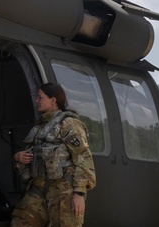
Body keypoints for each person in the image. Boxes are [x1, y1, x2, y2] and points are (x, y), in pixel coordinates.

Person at [11, 82, 96, 227]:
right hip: (38, 187)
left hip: (63, 191)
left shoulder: (69, 124)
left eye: (40, 97)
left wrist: (79, 193)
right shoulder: (39, 128)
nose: (37, 101)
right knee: (20, 222)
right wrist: (18, 158)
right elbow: (30, 159)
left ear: (53, 100)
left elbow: (83, 158)